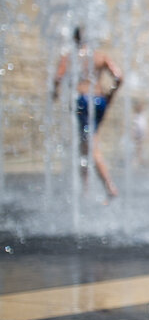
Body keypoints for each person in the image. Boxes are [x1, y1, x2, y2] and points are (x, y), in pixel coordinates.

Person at [53, 27, 122, 199]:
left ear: (74, 39)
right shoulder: (100, 56)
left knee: (90, 145)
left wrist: (55, 93)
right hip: (99, 101)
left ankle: (109, 187)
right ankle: (84, 189)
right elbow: (119, 77)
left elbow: (57, 78)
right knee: (84, 145)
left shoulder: (69, 57)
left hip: (82, 102)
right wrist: (110, 96)